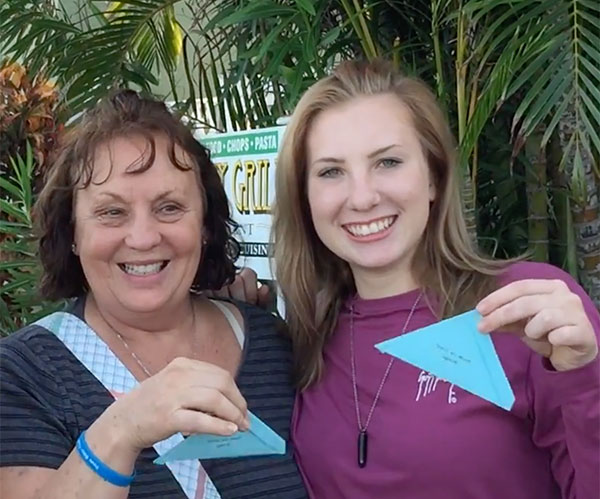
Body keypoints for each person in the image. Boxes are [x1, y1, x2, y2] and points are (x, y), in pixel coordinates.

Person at [267, 59, 599, 498]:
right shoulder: (306, 333)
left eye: (387, 162)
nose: (363, 197)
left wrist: (581, 376)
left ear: (434, 179)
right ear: (304, 197)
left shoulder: (525, 309)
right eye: (331, 172)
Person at [0, 90, 307, 499]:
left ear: (205, 224)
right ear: (73, 233)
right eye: (112, 212)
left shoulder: (277, 346)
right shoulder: (24, 374)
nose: (143, 238)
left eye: (169, 208)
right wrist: (122, 430)